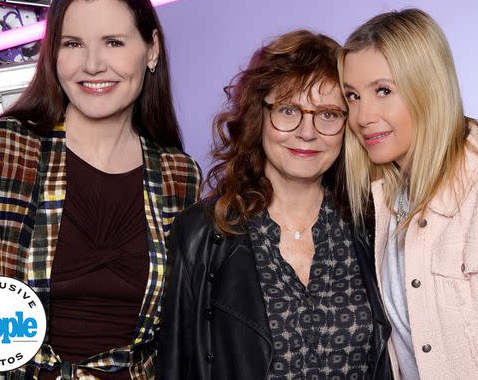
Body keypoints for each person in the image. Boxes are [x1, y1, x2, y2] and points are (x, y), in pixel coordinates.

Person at [0, 0, 201, 379]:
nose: (93, 65)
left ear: (151, 49)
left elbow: (184, 335)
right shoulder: (6, 148)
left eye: (114, 42)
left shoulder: (179, 176)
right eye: (73, 43)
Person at [338, 8, 478, 379]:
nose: (362, 116)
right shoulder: (384, 200)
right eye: (352, 96)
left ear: (428, 88)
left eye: (383, 91)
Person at [157, 30, 393, 380]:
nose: (307, 132)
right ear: (259, 116)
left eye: (328, 114)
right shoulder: (202, 233)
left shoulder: (374, 226)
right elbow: (176, 366)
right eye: (288, 110)